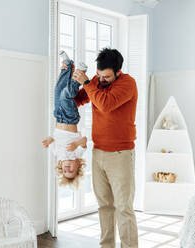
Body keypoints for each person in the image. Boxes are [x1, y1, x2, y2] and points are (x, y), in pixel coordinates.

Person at [72, 48, 139, 248]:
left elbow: (105, 104)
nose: (101, 79)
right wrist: (68, 81)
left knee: (123, 207)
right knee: (104, 206)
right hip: (98, 151)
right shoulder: (96, 81)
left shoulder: (128, 84)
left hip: (120, 155)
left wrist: (87, 82)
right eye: (99, 75)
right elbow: (80, 99)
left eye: (106, 76)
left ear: (118, 72)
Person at [42, 51, 88, 187]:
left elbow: (52, 140)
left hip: (58, 117)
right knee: (65, 96)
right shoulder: (77, 154)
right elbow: (85, 140)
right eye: (71, 171)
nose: (67, 169)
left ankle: (68, 66)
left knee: (58, 90)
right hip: (70, 119)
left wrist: (48, 140)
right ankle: (80, 73)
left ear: (61, 167)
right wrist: (76, 144)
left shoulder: (57, 154)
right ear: (78, 165)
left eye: (65, 171)